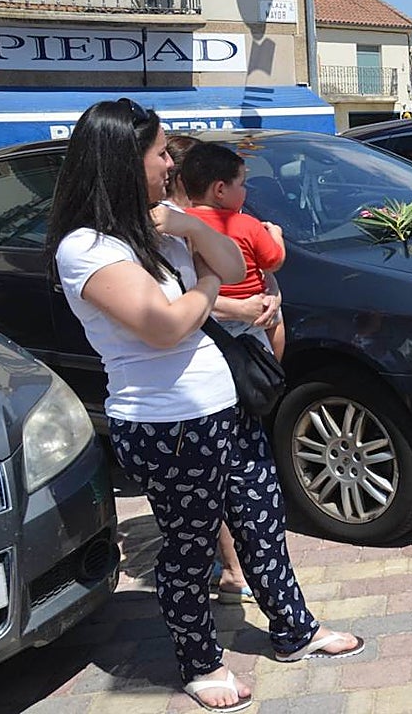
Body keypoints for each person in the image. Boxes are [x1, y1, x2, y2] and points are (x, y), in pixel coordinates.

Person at [45, 100, 361, 713]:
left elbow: (237, 261)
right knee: (189, 548)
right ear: (123, 161)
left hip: (225, 406)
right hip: (167, 424)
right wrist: (210, 287)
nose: (171, 164)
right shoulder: (87, 248)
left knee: (262, 523)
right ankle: (201, 663)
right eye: (161, 153)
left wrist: (190, 230)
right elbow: (166, 325)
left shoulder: (161, 224)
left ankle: (295, 630)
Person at [165, 135, 283, 606]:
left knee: (236, 466)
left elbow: (254, 272)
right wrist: (244, 305)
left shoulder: (190, 224)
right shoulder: (173, 230)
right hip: (203, 369)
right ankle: (236, 570)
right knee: (224, 471)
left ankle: (242, 570)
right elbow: (182, 299)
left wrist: (269, 295)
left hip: (230, 356)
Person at [175, 141, 287, 358]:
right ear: (220, 189)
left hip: (205, 320)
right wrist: (276, 235)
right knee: (275, 322)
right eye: (242, 184)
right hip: (251, 318)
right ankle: (274, 369)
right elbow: (274, 261)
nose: (246, 190)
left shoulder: (180, 223)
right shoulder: (247, 224)